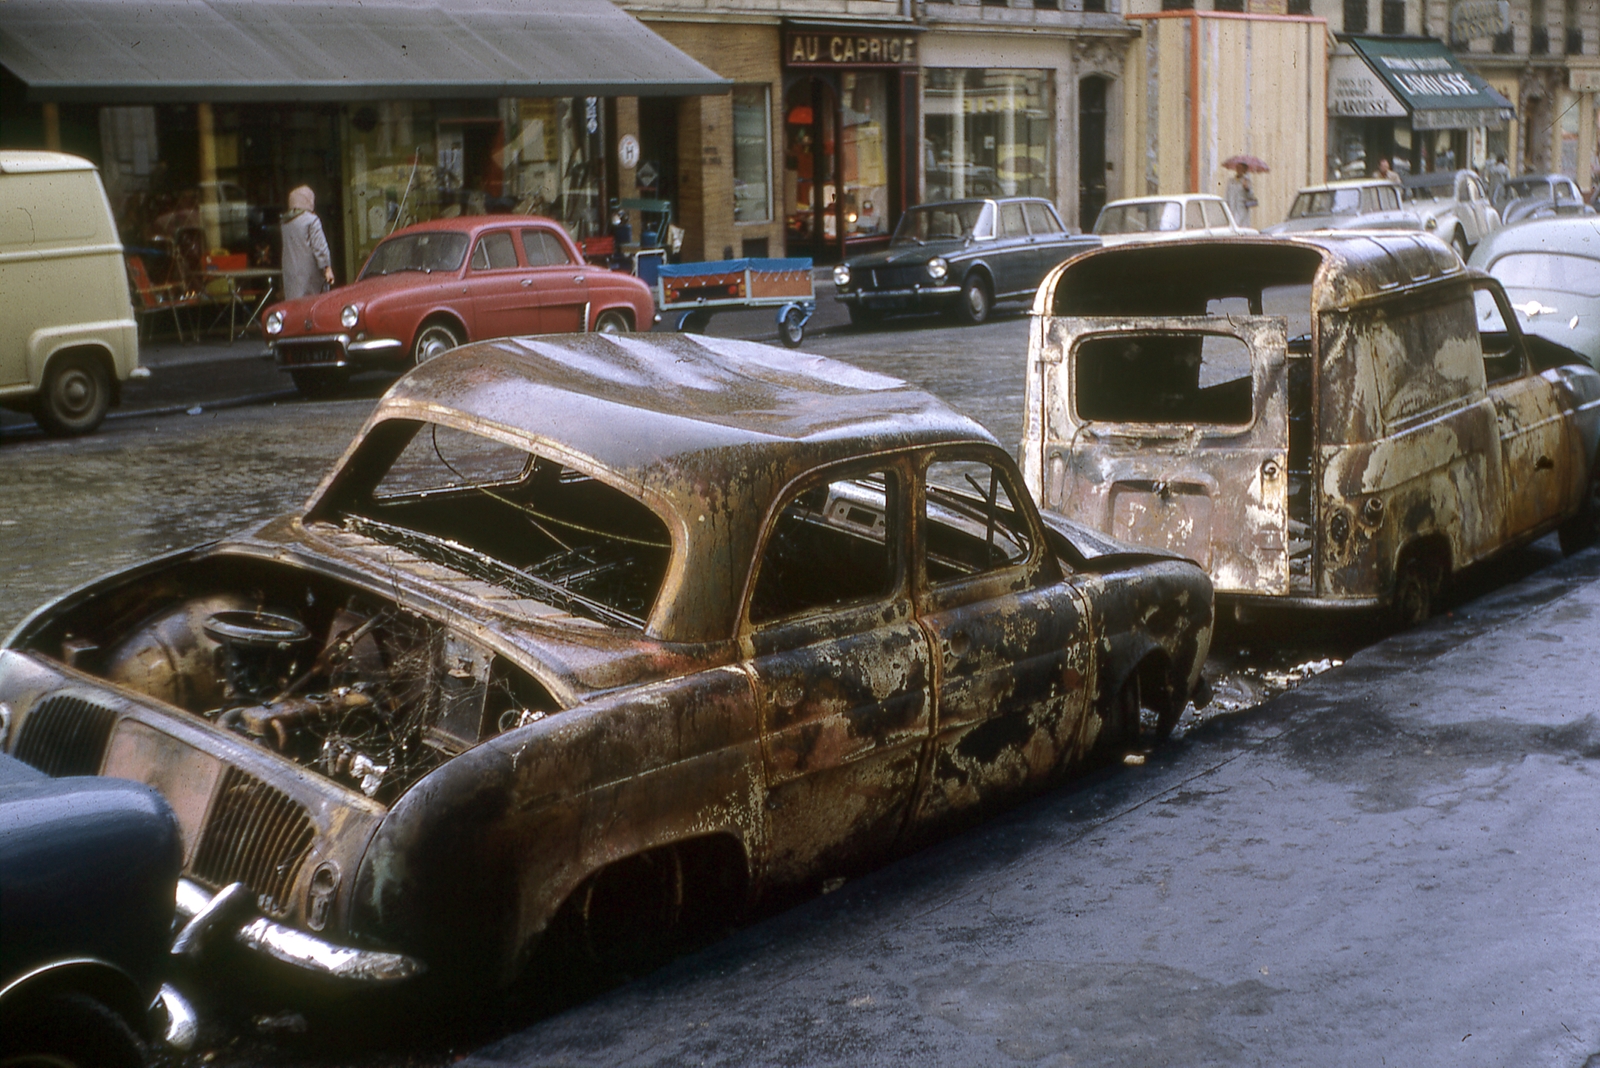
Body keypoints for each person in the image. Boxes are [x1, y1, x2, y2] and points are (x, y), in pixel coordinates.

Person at [281, 185, 334, 300]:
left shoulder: (285, 223)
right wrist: (327, 267)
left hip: (291, 275)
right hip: (310, 275)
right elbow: (319, 246)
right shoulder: (311, 220)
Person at [1225, 163, 1255, 227]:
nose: (1238, 170)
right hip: (1231, 209)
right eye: (1237, 167)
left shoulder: (1247, 182)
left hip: (1242, 211)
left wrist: (1247, 189)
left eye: (1241, 168)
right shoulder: (1231, 181)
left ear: (1244, 170)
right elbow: (1227, 195)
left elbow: (1251, 198)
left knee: (1240, 228)